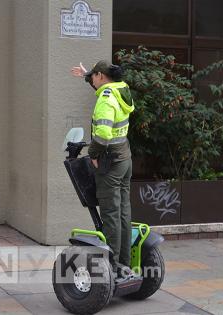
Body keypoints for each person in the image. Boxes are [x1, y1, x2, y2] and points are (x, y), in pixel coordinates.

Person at [71, 60, 135, 278]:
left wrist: (94, 155)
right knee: (123, 211)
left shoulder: (106, 101)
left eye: (93, 76)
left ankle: (114, 266)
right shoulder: (121, 90)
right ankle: (125, 263)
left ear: (101, 76)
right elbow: (100, 85)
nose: (93, 80)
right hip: (125, 159)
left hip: (110, 163)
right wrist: (86, 74)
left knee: (110, 215)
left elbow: (104, 134)